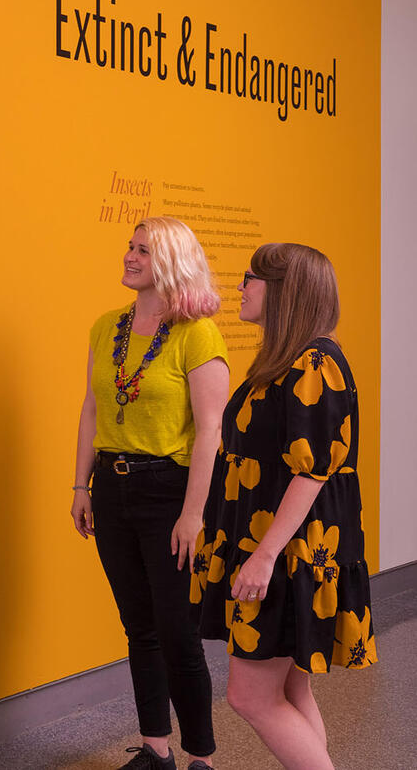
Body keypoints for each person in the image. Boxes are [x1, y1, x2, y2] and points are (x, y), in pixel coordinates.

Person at [193, 244, 376, 769]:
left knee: (250, 697)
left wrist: (264, 555)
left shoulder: (314, 361)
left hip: (287, 546)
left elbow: (312, 470)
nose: (240, 287)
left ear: (284, 290)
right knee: (292, 694)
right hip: (280, 542)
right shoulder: (289, 358)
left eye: (250, 278)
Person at [73, 217, 229, 770]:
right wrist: (80, 484)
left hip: (169, 492)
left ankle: (201, 758)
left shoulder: (197, 333)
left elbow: (211, 431)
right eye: (129, 246)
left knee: (176, 631)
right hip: (111, 490)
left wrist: (193, 513)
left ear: (168, 262)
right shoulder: (104, 327)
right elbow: (92, 409)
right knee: (139, 626)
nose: (129, 256)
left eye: (142, 250)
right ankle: (155, 750)